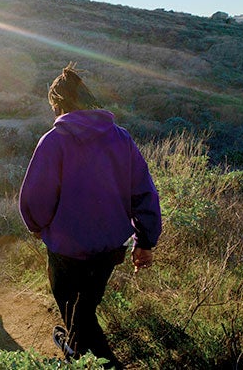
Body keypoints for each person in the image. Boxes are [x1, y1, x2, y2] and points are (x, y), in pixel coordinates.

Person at [19, 63, 162, 367]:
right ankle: (74, 346)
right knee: (86, 305)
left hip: (65, 249)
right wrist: (145, 241)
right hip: (110, 248)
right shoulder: (121, 138)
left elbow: (36, 196)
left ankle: (97, 359)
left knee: (73, 306)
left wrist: (36, 226)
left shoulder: (54, 140)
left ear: (57, 104)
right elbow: (144, 193)